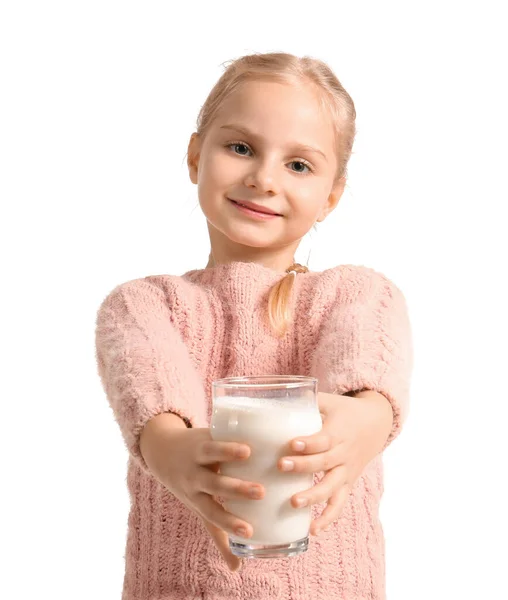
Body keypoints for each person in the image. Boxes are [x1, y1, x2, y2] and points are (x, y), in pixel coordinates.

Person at [95, 51, 413, 600]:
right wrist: (174, 453)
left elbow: (368, 373)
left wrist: (366, 421)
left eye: (299, 165)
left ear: (331, 195)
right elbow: (158, 413)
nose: (263, 178)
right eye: (240, 147)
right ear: (196, 156)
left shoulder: (355, 294)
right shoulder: (144, 305)